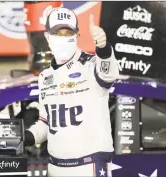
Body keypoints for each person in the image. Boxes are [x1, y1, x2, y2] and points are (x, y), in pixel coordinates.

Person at [24, 7, 120, 177]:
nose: (63, 38)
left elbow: (109, 73)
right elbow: (46, 123)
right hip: (54, 167)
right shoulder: (45, 76)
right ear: (47, 37)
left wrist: (103, 47)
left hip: (89, 166)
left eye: (68, 33)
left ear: (77, 36)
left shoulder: (91, 65)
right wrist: (25, 137)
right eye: (57, 33)